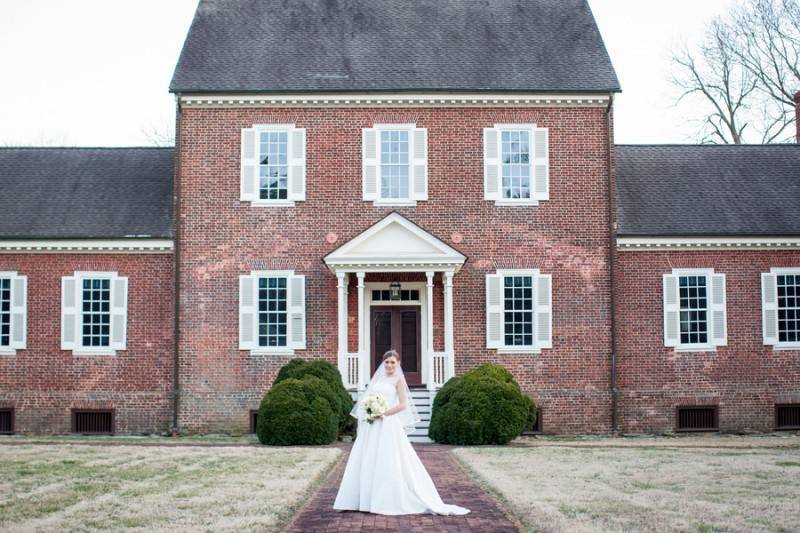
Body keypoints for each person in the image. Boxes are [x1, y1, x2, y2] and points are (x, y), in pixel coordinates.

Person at [333, 350, 470, 516]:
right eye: (387, 362)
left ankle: (386, 500)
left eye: (393, 362)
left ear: (398, 364)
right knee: (367, 458)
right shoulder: (378, 379)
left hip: (388, 423)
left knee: (388, 460)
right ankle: (362, 499)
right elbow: (367, 399)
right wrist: (370, 410)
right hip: (372, 424)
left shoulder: (399, 380)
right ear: (383, 363)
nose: (390, 365)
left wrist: (383, 413)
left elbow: (403, 405)